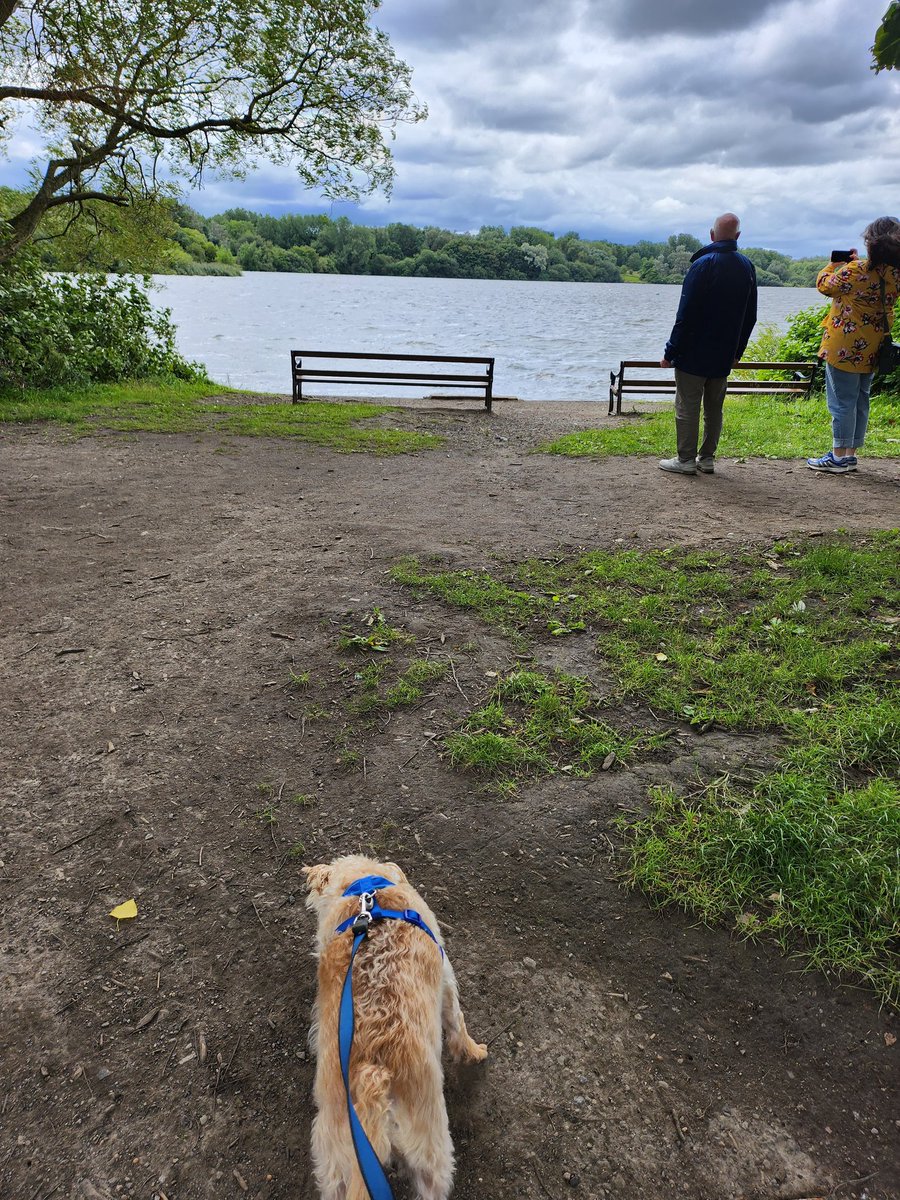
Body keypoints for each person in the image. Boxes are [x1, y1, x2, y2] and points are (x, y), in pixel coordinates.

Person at [657, 212, 758, 476]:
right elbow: (751, 316)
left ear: (712, 235)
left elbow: (685, 314)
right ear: (737, 236)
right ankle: (707, 458)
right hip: (724, 354)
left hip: (693, 354)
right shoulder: (747, 267)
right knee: (715, 409)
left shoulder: (702, 265)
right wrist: (738, 351)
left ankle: (686, 460)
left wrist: (670, 351)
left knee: (687, 406)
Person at [806, 216, 900, 474]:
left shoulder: (855, 271)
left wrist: (831, 266)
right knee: (860, 399)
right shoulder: (895, 274)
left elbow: (825, 286)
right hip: (874, 346)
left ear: (871, 243)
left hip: (844, 347)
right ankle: (850, 454)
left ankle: (837, 457)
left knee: (841, 401)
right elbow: (875, 276)